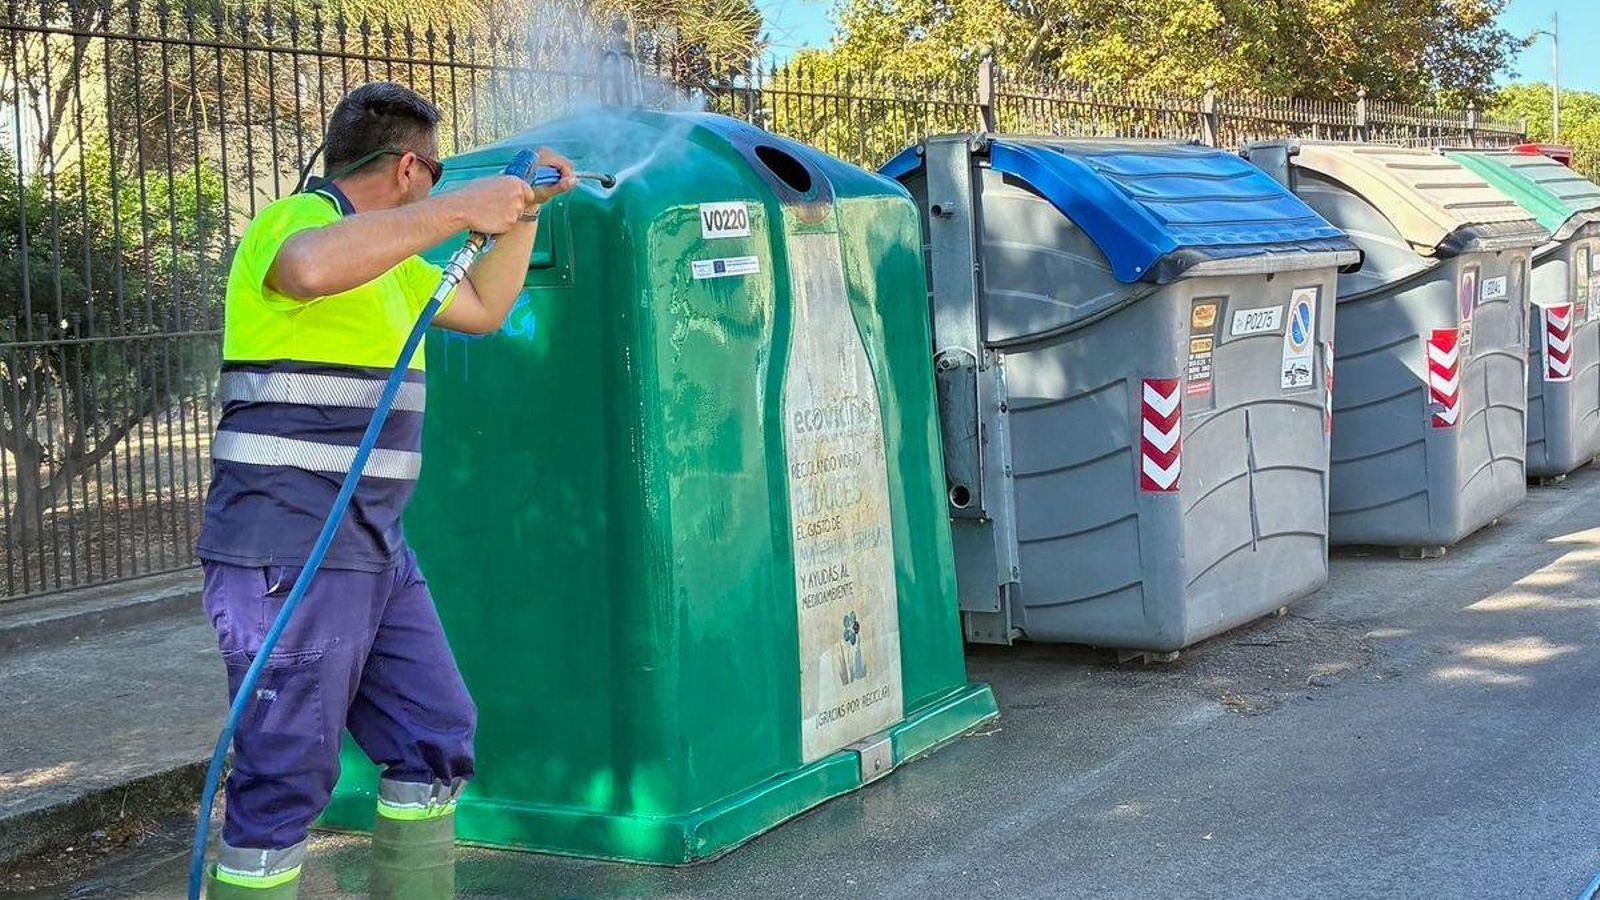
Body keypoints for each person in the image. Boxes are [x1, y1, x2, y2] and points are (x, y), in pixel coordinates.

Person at [194, 82, 575, 898]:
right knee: (285, 775)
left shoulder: (393, 265)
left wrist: (524, 210)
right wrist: (457, 211)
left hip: (375, 551)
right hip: (289, 550)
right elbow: (307, 269)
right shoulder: (295, 223)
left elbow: (483, 308)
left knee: (434, 733)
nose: (438, 189)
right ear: (409, 168)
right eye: (435, 175)